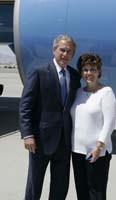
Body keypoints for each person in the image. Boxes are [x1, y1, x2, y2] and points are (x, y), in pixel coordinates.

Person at [19, 35, 81, 200]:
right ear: (54, 50)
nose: (65, 54)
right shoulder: (39, 72)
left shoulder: (75, 76)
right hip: (40, 140)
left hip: (65, 142)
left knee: (60, 186)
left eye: (69, 51)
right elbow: (25, 106)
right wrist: (28, 134)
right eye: (62, 50)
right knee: (34, 185)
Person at [70, 53, 116, 200]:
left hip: (96, 152)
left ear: (99, 71)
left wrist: (99, 147)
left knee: (96, 193)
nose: (89, 73)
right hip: (77, 150)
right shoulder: (78, 92)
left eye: (93, 69)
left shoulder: (106, 92)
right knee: (82, 192)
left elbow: (110, 123)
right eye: (85, 70)